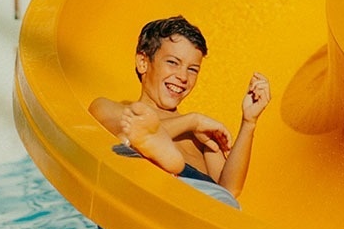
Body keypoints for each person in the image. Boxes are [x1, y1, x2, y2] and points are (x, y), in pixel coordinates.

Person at [88, 16, 270, 201]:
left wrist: (249, 122)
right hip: (143, 199)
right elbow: (127, 136)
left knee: (224, 200)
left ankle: (169, 165)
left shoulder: (200, 137)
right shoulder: (109, 108)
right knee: (127, 148)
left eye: (192, 69)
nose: (183, 76)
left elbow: (230, 189)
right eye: (173, 62)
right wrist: (192, 121)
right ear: (143, 62)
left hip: (198, 208)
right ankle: (165, 166)